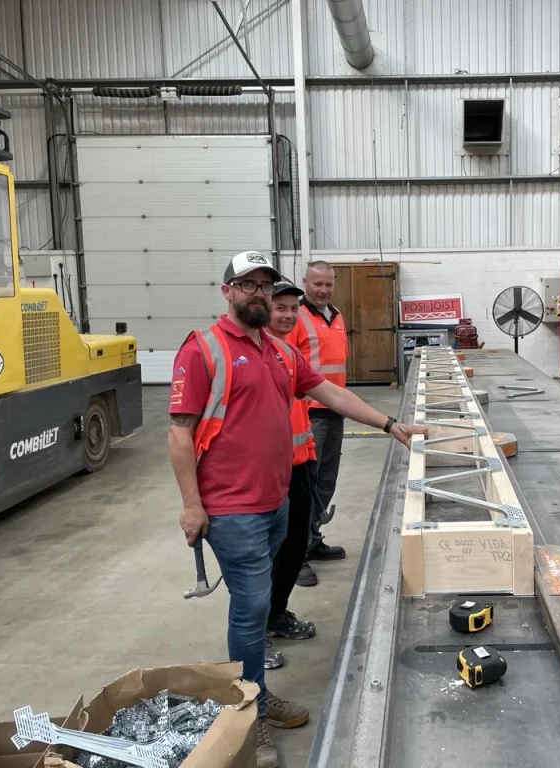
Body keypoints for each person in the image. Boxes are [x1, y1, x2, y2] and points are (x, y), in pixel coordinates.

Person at [167, 251, 424, 768]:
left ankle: (256, 695)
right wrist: (192, 505)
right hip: (230, 508)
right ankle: (248, 716)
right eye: (247, 285)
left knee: (263, 601)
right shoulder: (204, 350)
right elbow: (178, 431)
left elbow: (327, 390)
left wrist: (388, 424)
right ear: (227, 292)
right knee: (252, 607)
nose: (258, 294)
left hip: (276, 499)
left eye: (264, 285)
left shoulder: (279, 351)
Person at [263, 278, 319, 670]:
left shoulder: (287, 354)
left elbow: (316, 399)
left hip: (299, 463)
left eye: (292, 308)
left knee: (296, 546)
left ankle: (277, 613)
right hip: (267, 472)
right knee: (264, 556)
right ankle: (256, 634)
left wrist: (310, 454)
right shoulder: (251, 354)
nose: (287, 314)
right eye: (279, 307)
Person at [287, 261, 347, 588]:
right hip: (308, 411)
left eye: (328, 284)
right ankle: (295, 557)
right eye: (317, 284)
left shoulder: (336, 316)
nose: (323, 290)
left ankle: (311, 538)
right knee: (305, 484)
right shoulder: (296, 317)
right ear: (305, 283)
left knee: (326, 480)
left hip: (334, 409)